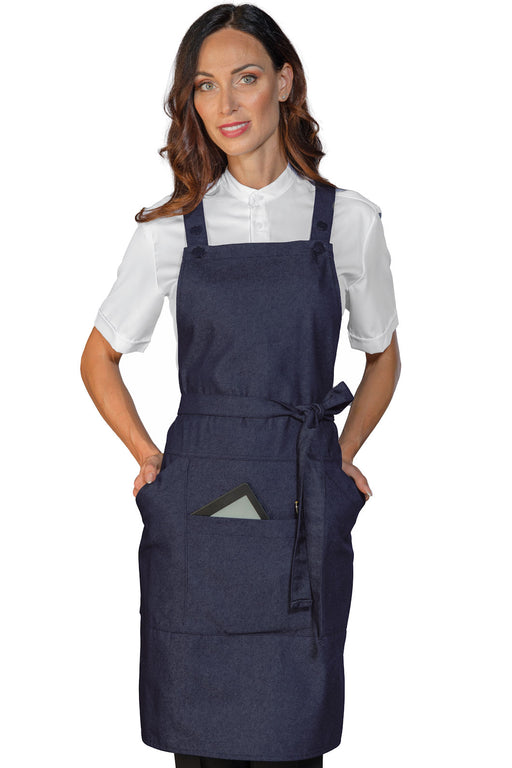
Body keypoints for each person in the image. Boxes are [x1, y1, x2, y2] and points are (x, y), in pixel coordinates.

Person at [80, 4, 401, 768]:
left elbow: (383, 356)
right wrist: (148, 458)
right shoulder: (169, 231)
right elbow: (97, 358)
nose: (224, 103)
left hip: (300, 491)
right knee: (202, 743)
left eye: (246, 78)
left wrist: (342, 454)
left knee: (293, 737)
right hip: (203, 498)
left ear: (285, 82)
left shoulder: (348, 222)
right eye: (204, 85)